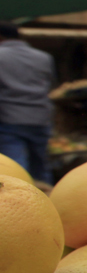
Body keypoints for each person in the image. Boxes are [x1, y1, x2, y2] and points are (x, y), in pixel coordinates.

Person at [0, 21, 56, 183]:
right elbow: (49, 85)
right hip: (40, 118)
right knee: (41, 166)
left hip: (10, 119)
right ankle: (48, 202)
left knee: (15, 170)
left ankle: (20, 205)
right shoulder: (44, 57)